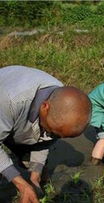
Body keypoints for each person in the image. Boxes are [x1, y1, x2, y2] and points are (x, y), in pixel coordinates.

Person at [0, 65, 91, 203]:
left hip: (17, 117)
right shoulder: (10, 100)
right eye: (52, 132)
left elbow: (46, 140)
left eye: (58, 136)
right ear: (44, 107)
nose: (53, 137)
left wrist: (35, 175)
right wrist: (21, 184)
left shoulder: (60, 99)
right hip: (7, 106)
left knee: (31, 163)